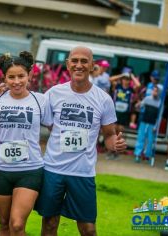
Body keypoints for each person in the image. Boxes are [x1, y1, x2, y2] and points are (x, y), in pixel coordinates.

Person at [35, 47, 126, 236]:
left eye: (84, 61)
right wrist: (4, 90)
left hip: (83, 172)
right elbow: (51, 125)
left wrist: (114, 144)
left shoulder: (103, 99)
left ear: (92, 66)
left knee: (88, 229)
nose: (79, 65)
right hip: (53, 169)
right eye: (74, 61)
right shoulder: (53, 94)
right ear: (68, 64)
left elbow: (109, 134)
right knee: (50, 223)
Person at [0, 51, 51, 235]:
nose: (17, 81)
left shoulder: (40, 101)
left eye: (21, 76)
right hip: (0, 169)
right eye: (11, 77)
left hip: (30, 169)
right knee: (4, 223)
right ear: (4, 78)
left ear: (29, 75)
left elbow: (55, 128)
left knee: (17, 224)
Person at [134, 85, 161, 163]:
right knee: (141, 138)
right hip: (144, 122)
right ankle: (137, 154)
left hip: (152, 124)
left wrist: (156, 126)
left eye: (156, 91)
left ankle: (147, 156)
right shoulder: (147, 99)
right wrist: (137, 105)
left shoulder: (160, 102)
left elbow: (159, 116)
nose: (154, 92)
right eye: (154, 90)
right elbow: (139, 106)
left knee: (150, 140)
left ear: (158, 92)